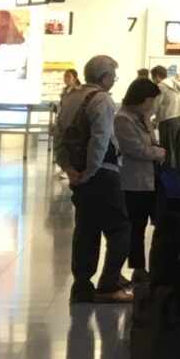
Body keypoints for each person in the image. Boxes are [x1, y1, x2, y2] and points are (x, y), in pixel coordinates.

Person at [56, 56, 133, 303]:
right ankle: (109, 284)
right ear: (104, 77)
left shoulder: (69, 98)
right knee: (121, 228)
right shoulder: (102, 99)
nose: (113, 82)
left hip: (77, 173)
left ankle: (81, 285)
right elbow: (100, 138)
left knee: (86, 228)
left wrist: (69, 169)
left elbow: (59, 136)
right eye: (113, 77)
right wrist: (91, 170)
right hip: (101, 173)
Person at [115, 75, 168, 276]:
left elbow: (149, 143)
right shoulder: (122, 119)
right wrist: (157, 152)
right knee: (135, 227)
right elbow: (135, 149)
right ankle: (136, 268)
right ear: (143, 99)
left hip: (150, 179)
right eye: (151, 100)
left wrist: (156, 149)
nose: (153, 105)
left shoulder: (143, 118)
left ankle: (151, 267)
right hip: (133, 182)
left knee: (153, 224)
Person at [150, 65, 180, 169]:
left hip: (168, 120)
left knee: (168, 150)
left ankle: (169, 176)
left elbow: (156, 105)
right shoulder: (174, 84)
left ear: (157, 76)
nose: (153, 80)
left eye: (153, 78)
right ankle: (179, 175)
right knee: (179, 150)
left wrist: (149, 118)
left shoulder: (161, 86)